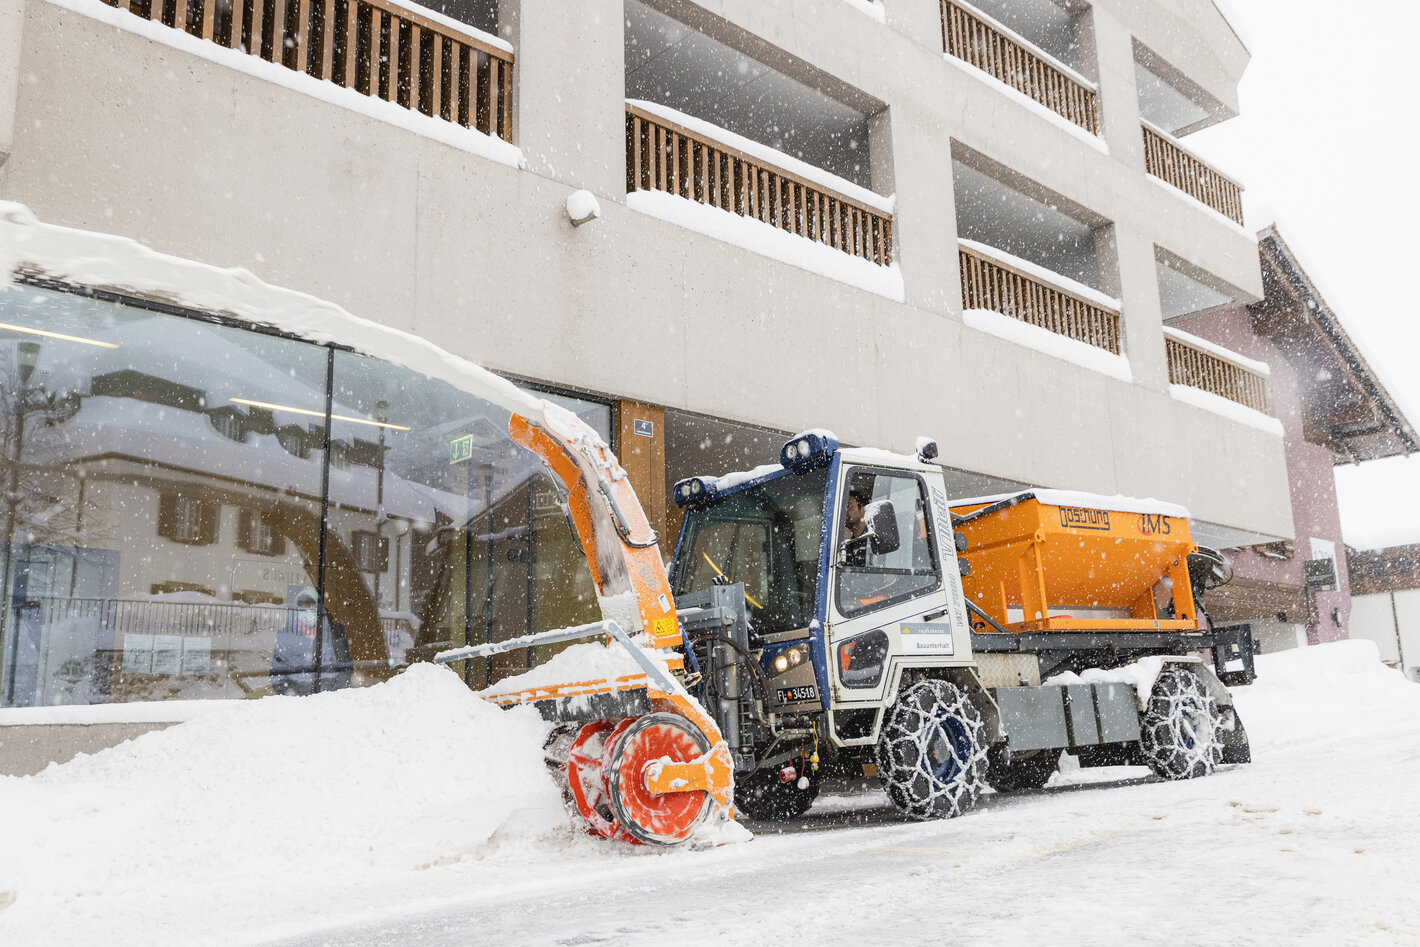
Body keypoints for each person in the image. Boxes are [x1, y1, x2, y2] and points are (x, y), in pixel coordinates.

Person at [271, 586, 352, 696]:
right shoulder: (285, 636)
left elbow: (345, 669)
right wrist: (292, 697)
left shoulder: (334, 633)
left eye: (312, 605)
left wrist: (334, 695)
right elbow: (277, 675)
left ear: (318, 608)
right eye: (304, 606)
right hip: (297, 700)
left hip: (329, 698)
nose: (308, 610)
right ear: (297, 609)